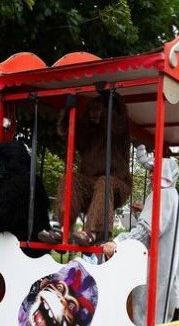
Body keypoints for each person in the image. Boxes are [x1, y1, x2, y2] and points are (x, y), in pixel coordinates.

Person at [102, 147, 179, 326]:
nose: (152, 176)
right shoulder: (173, 196)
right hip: (164, 267)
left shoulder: (161, 195)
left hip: (156, 269)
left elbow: (146, 231)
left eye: (154, 172)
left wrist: (118, 242)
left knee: (146, 317)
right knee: (157, 319)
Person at [57, 92, 132, 246]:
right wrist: (68, 113)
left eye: (98, 110)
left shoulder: (120, 130)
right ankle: (62, 228)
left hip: (117, 183)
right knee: (71, 179)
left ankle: (94, 232)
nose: (93, 115)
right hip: (91, 183)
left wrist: (111, 101)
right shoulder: (89, 133)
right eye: (91, 111)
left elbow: (117, 123)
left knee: (105, 182)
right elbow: (69, 133)